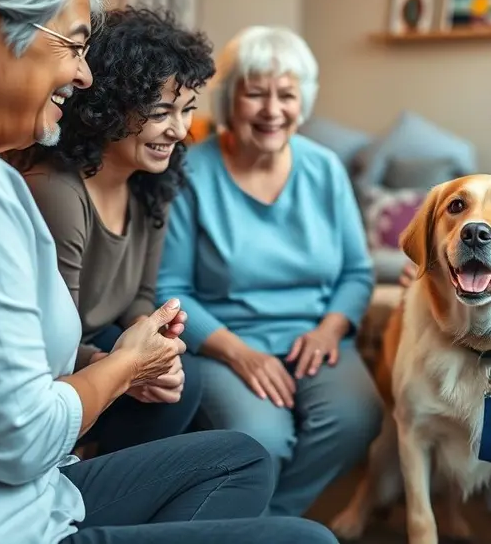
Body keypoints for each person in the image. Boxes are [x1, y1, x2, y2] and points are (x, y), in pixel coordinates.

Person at [0, 0, 337, 544]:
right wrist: (124, 363)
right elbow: (20, 438)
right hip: (6, 517)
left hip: (37, 485)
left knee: (240, 455)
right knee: (312, 540)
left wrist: (144, 346)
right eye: (74, 47)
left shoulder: (139, 185)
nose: (81, 76)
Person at [157, 25, 383, 517]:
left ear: (304, 101)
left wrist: (330, 329)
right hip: (224, 340)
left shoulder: (324, 169)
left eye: (287, 94)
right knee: (261, 439)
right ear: (229, 98)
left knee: (356, 418)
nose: (272, 110)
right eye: (255, 93)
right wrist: (240, 354)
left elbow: (356, 273)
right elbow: (169, 288)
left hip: (314, 339)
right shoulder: (190, 173)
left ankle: (264, 524)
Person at [12, 6, 213, 455]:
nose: (178, 130)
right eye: (162, 111)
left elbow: (140, 295)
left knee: (183, 377)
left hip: (102, 345)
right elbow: (50, 339)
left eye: (187, 111)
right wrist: (119, 366)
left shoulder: (152, 183)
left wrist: (152, 343)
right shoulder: (58, 193)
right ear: (108, 108)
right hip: (57, 363)